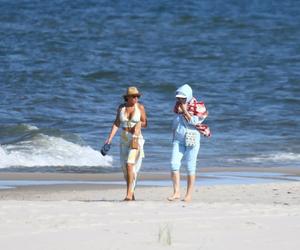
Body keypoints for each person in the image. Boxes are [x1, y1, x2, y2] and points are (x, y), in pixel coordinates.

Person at [168, 84, 210, 202]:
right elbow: (175, 122)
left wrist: (185, 110)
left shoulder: (199, 107)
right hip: (178, 139)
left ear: (189, 96)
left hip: (192, 139)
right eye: (178, 98)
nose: (180, 100)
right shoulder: (177, 107)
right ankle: (176, 192)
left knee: (190, 167)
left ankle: (189, 195)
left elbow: (194, 122)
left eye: (183, 98)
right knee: (173, 164)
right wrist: (173, 134)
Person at [105, 86, 147, 201]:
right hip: (124, 139)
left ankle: (128, 194)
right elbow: (116, 124)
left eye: (137, 96)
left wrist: (138, 125)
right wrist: (109, 139)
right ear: (127, 97)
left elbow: (145, 123)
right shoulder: (121, 108)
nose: (136, 98)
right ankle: (131, 192)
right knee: (125, 169)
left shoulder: (140, 107)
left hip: (136, 139)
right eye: (133, 96)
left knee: (130, 164)